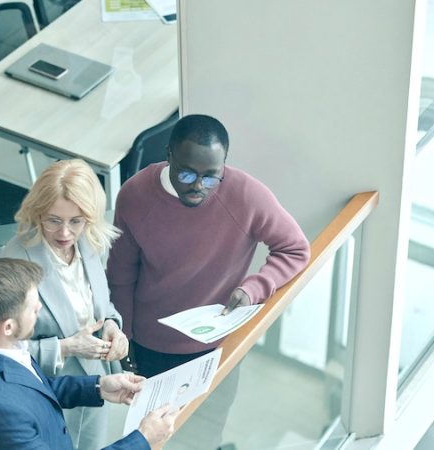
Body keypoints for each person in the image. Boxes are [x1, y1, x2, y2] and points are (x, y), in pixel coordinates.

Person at [107, 114, 310, 447]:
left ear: (223, 167)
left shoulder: (246, 195)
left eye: (211, 177)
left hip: (217, 346)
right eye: (186, 173)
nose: (197, 186)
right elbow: (120, 277)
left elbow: (295, 249)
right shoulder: (135, 195)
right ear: (169, 155)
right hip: (149, 345)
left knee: (205, 435)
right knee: (154, 439)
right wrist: (125, 340)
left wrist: (254, 288)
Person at [0, 258, 176, 450]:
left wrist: (98, 387)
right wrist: (144, 438)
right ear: (8, 326)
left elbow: (29, 388)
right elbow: (13, 401)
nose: (40, 308)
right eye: (33, 308)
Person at [2, 159, 129, 450]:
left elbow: (100, 304)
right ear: (37, 213)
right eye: (53, 220)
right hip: (49, 393)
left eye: (76, 221)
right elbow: (3, 354)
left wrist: (112, 326)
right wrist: (68, 347)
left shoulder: (88, 242)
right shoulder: (14, 263)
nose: (65, 234)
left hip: (97, 384)